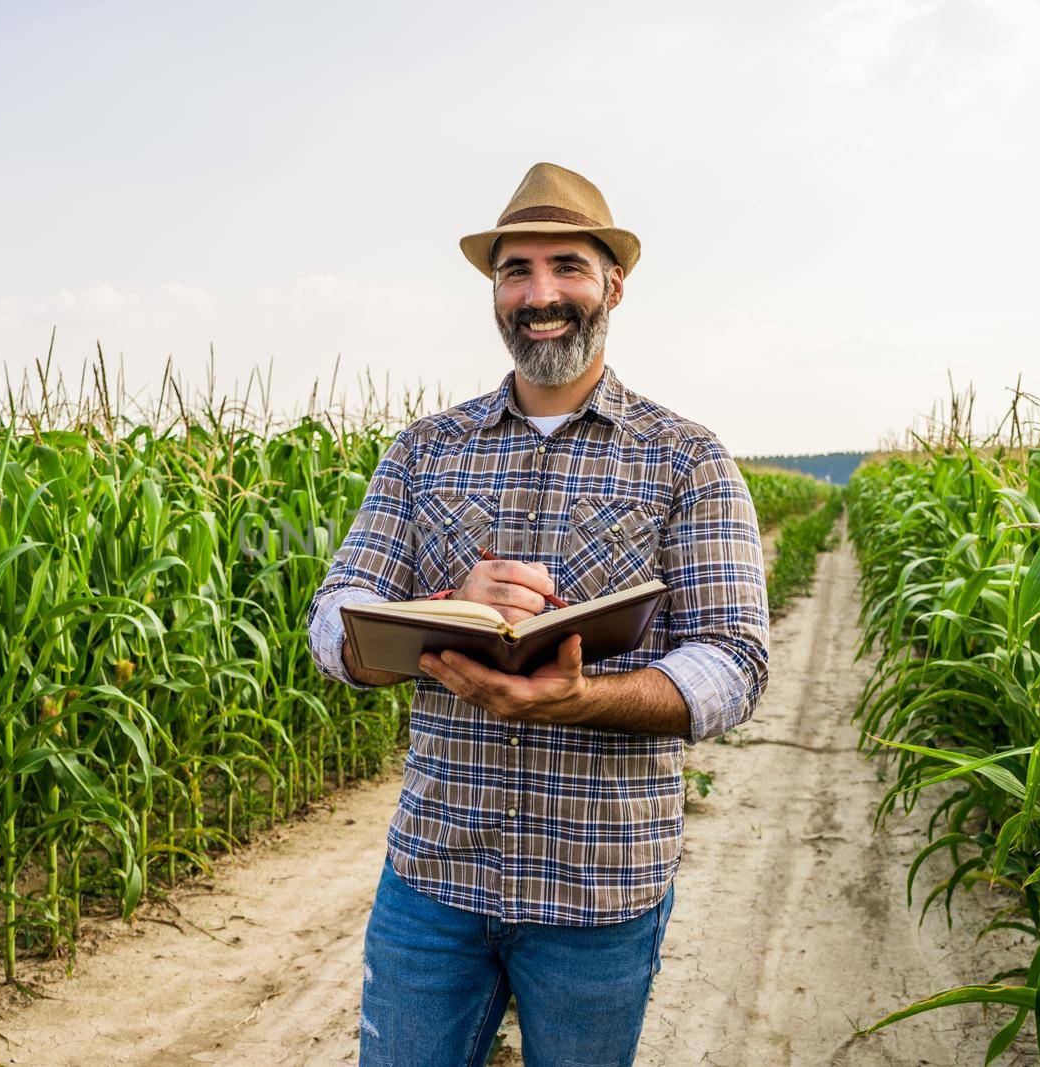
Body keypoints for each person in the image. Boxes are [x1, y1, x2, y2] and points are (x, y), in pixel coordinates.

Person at [306, 161, 770, 1066]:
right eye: (516, 270)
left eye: (567, 266)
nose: (540, 293)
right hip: (436, 875)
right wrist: (439, 610)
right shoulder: (424, 452)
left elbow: (734, 661)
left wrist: (582, 699)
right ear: (495, 290)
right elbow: (334, 619)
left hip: (599, 890)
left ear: (613, 287)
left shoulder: (687, 459)